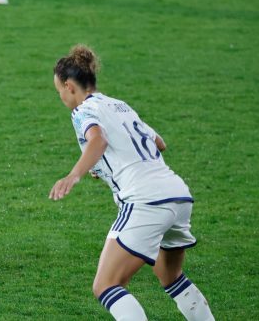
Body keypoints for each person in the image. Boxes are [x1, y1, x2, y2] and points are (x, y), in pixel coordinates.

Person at [49, 45, 215, 320]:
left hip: (145, 200)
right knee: (171, 277)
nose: (61, 98)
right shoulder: (119, 105)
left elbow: (98, 140)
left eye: (59, 92)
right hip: (177, 194)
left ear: (69, 86)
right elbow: (158, 143)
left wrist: (74, 175)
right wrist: (104, 166)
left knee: (106, 285)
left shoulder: (82, 111)